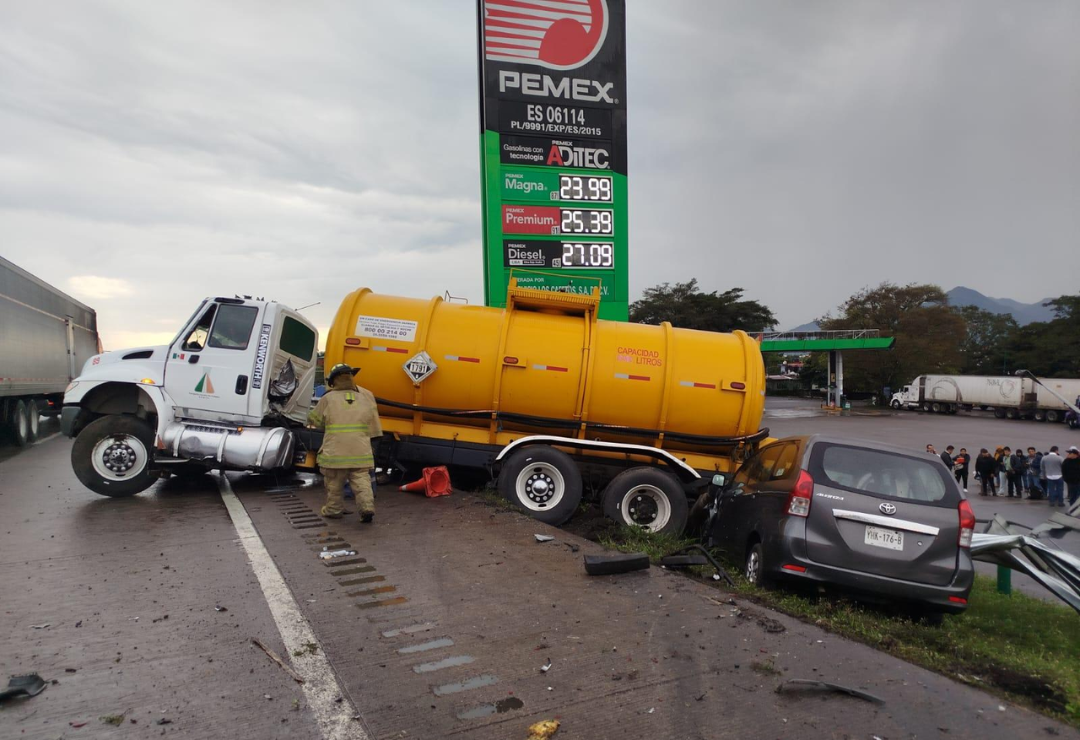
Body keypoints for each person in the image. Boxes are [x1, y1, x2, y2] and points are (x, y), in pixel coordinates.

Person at [307, 363, 383, 521]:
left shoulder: (328, 398)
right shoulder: (366, 396)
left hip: (335, 453)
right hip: (360, 451)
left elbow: (315, 421)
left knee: (334, 484)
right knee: (362, 481)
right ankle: (367, 508)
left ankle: (334, 510)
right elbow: (374, 426)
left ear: (333, 380)